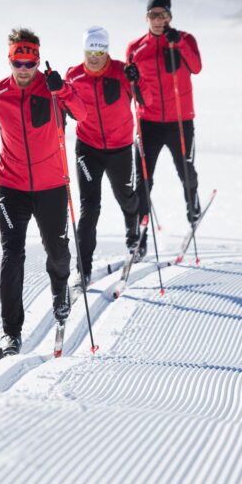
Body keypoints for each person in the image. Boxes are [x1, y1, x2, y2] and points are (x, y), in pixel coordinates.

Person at [0, 28, 88, 358]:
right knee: (12, 256)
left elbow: (82, 115)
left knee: (58, 251)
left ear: (38, 60)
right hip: (11, 186)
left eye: (30, 62)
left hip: (52, 185)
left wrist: (65, 90)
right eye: (18, 62)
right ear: (10, 60)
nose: (24, 68)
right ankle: (11, 333)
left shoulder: (52, 89)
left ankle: (60, 290)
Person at [65, 26, 153, 288]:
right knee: (89, 207)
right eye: (90, 50)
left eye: (100, 50)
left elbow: (145, 100)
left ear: (107, 51)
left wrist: (139, 80)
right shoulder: (74, 75)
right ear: (84, 50)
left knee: (126, 196)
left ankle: (133, 233)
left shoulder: (122, 72)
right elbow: (65, 105)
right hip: (88, 148)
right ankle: (83, 269)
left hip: (120, 148)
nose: (95, 56)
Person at [125, 0, 203, 259]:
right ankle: (140, 233)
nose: (158, 20)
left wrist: (179, 43)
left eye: (163, 15)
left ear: (170, 16)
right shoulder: (135, 48)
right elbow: (132, 89)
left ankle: (192, 206)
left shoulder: (185, 39)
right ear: (146, 17)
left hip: (181, 121)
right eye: (153, 15)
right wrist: (131, 80)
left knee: (186, 171)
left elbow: (196, 67)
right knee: (143, 181)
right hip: (149, 123)